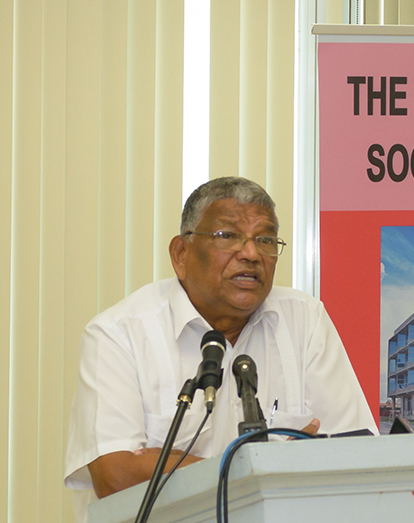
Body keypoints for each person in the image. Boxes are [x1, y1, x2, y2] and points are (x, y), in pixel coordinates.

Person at [63, 177, 376, 521]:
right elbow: (115, 475)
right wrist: (264, 470)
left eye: (266, 240)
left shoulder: (305, 320)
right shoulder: (118, 335)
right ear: (181, 254)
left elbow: (354, 455)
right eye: (228, 236)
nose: (252, 253)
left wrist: (164, 462)